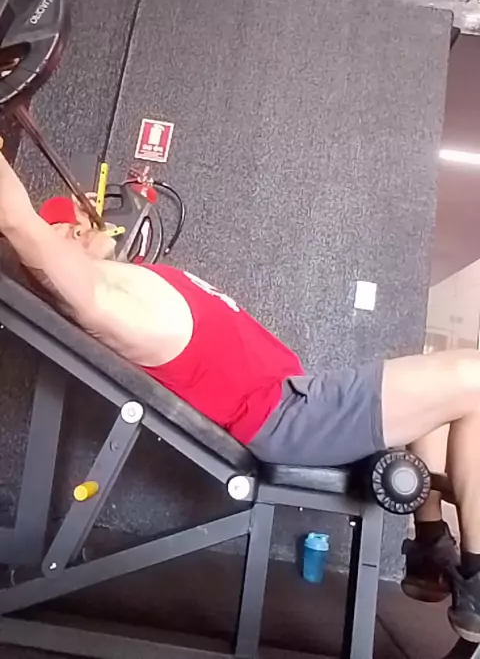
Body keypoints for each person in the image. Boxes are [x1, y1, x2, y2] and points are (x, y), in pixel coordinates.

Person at [0, 151, 479, 642]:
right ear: (56, 249)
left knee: (443, 404)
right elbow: (18, 222)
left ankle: (429, 548)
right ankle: (477, 584)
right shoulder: (106, 298)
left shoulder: (129, 280)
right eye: (68, 225)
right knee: (474, 378)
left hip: (299, 402)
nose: (85, 219)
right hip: (291, 418)